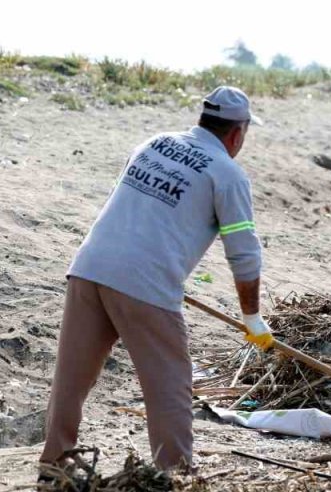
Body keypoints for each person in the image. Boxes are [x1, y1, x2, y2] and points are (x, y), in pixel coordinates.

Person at [39, 86, 272, 474]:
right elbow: (244, 254)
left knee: (71, 378)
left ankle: (54, 464)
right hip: (145, 284)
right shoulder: (228, 175)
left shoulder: (154, 144)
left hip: (90, 266)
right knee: (170, 388)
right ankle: (174, 473)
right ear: (237, 133)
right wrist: (252, 318)